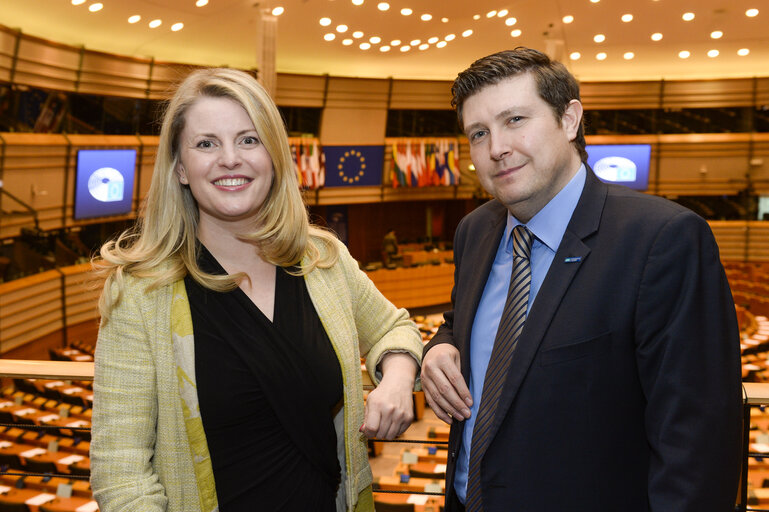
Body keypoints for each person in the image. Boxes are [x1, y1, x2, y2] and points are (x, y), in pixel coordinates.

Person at [421, 47, 742, 512]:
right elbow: (468, 323)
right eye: (479, 133)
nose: (496, 148)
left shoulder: (662, 239)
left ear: (569, 120)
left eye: (515, 120)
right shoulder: (474, 231)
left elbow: (697, 445)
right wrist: (440, 346)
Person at [90, 68, 423, 512]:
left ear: (274, 157)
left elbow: (394, 327)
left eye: (249, 140)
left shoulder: (322, 259)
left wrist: (398, 377)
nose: (230, 158)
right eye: (206, 143)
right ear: (181, 169)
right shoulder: (139, 292)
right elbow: (121, 476)